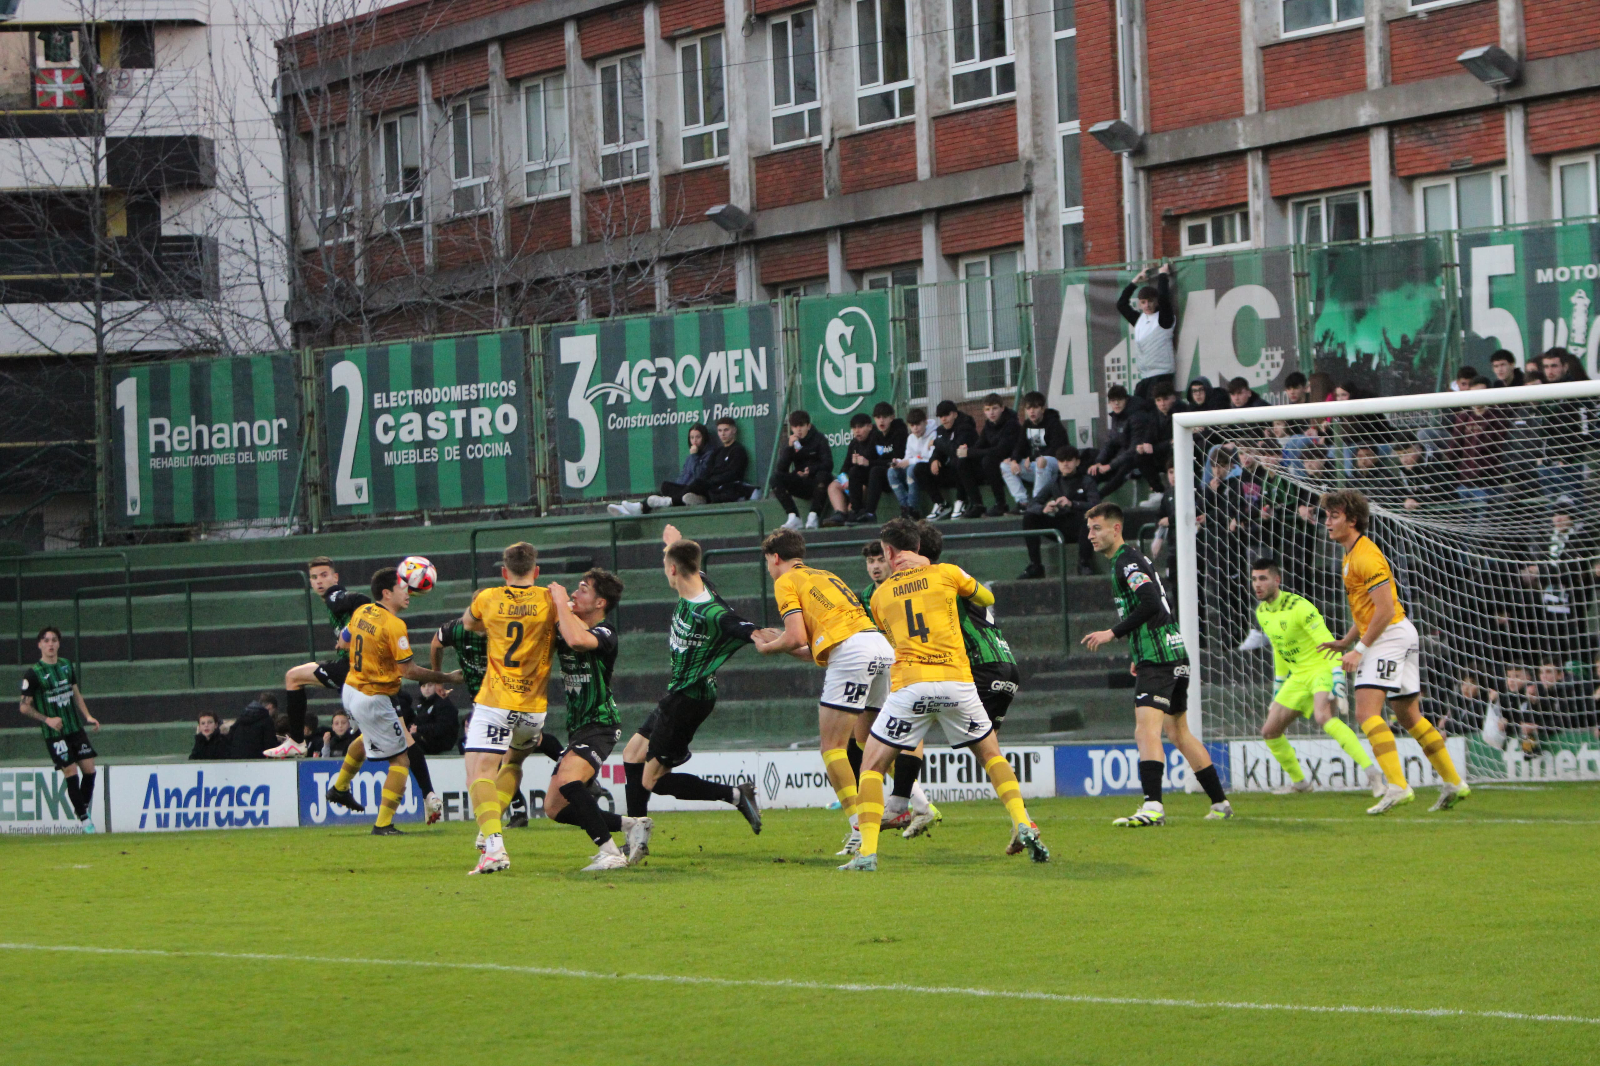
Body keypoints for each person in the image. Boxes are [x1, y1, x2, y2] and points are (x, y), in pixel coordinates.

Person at [841, 518, 1047, 870]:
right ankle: (1023, 822)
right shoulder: (947, 573)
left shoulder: (879, 595)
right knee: (991, 755)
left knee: (871, 765)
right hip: (957, 681)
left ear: (889, 552)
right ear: (919, 547)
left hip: (911, 686)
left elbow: (892, 639)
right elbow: (986, 598)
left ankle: (868, 853)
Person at [1079, 503, 1234, 826]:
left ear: (1116, 529)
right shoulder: (1130, 560)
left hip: (1159, 657)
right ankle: (1220, 803)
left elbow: (1150, 602)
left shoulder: (1127, 561)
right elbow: (1155, 605)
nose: (1090, 535)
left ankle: (1153, 807)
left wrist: (1112, 633)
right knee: (1178, 732)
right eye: (1089, 528)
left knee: (1145, 730)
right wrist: (1138, 654)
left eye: (1097, 528)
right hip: (1170, 651)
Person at [1315, 489, 1469, 813]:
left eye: (1334, 516)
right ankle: (1454, 781)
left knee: (1365, 713)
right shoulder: (1351, 555)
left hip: (1389, 637)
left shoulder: (1366, 556)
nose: (1327, 521)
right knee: (1409, 716)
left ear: (1352, 520)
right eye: (1327, 515)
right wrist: (1346, 641)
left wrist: (1360, 649)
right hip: (1397, 634)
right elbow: (1369, 610)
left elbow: (1385, 609)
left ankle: (1397, 786)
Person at [752, 528, 896, 851]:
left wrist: (768, 647)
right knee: (869, 740)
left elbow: (795, 637)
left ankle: (858, 827)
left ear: (776, 558)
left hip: (853, 652)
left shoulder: (785, 581)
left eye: (768, 561)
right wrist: (785, 645)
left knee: (832, 747)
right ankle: (913, 800)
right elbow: (819, 647)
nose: (769, 568)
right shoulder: (825, 576)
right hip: (878, 647)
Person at [618, 526, 764, 844]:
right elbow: (687, 562)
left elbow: (754, 633)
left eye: (666, 565)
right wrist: (674, 543)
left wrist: (798, 644)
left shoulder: (711, 611)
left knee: (652, 780)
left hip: (689, 699)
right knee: (632, 754)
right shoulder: (697, 582)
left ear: (672, 570)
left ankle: (735, 795)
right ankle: (635, 836)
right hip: (680, 693)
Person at [323, 567, 461, 836]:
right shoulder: (394, 625)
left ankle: (339, 788)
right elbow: (408, 671)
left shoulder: (362, 611)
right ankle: (383, 824)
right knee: (401, 760)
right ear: (387, 593)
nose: (408, 592)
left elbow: (343, 641)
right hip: (373, 697)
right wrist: (446, 677)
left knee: (367, 738)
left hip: (351, 689)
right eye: (402, 587)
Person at [913, 521, 1024, 847]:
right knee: (990, 753)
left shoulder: (933, 581)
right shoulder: (956, 576)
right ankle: (1022, 822)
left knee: (906, 721)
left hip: (979, 668)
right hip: (1006, 665)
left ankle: (909, 803)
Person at [455, 542, 557, 874]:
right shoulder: (549, 599)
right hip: (534, 708)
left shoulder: (488, 597)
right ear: (536, 571)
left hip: (496, 702)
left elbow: (468, 623)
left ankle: (495, 846)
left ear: (504, 572)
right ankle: (490, 831)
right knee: (512, 762)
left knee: (478, 774)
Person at [543, 569, 653, 871]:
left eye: (583, 589)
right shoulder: (567, 625)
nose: (574, 593)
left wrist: (560, 602)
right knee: (553, 807)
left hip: (600, 724)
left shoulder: (605, 633)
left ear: (600, 602)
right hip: (578, 727)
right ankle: (630, 825)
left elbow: (578, 640)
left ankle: (610, 853)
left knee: (569, 781)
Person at [1247, 560, 1384, 797]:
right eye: (1254, 579)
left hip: (1321, 668)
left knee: (1323, 716)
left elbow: (1328, 642)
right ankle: (1300, 783)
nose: (1257, 584)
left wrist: (1338, 677)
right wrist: (1279, 684)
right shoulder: (1262, 613)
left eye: (1263, 579)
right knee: (1269, 731)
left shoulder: (1300, 606)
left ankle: (1373, 775)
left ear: (1277, 580)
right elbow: (1279, 649)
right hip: (1298, 677)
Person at [269, 558, 371, 759]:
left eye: (324, 575)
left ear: (335, 577)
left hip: (355, 668)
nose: (319, 581)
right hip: (354, 670)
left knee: (293, 677)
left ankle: (297, 742)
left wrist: (349, 632)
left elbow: (363, 601)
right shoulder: (333, 602)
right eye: (314, 577)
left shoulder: (335, 596)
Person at [19, 627, 101, 832]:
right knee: (70, 770)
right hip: (55, 734)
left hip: (75, 728)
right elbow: (24, 707)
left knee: (90, 770)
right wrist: (47, 719)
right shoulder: (34, 673)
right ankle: (85, 819)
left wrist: (88, 716)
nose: (50, 644)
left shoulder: (66, 665)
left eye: (54, 640)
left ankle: (81, 808)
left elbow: (75, 693)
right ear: (39, 644)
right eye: (46, 640)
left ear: (59, 644)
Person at [609, 422, 725, 516]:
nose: (694, 441)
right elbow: (683, 477)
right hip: (683, 490)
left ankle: (639, 507)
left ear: (704, 438)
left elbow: (700, 475)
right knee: (665, 487)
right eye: (692, 437)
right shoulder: (690, 457)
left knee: (683, 489)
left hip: (696, 490)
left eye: (698, 437)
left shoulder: (710, 454)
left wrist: (695, 456)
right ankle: (634, 508)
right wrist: (675, 489)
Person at [1018, 446, 1099, 579]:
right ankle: (1035, 565)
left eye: (1069, 460)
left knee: (1089, 519)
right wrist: (1044, 508)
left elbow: (1096, 505)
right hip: (1060, 525)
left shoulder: (1086, 481)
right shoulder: (1054, 481)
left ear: (1077, 462)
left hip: (1080, 527)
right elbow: (1033, 503)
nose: (1065, 464)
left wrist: (1073, 504)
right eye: (1061, 461)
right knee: (1029, 518)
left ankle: (1084, 563)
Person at [1096, 381, 1177, 503]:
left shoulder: (1139, 415)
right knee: (1137, 456)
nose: (1162, 404)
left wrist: (1111, 465)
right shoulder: (1153, 414)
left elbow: (1171, 442)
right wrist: (1099, 461)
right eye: (1158, 400)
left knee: (1131, 461)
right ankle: (1159, 491)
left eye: (1165, 399)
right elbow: (1112, 442)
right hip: (1133, 453)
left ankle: (1096, 498)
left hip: (1166, 453)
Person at [1116, 263, 1175, 405]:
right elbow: (1121, 304)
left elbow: (1164, 298)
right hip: (1145, 377)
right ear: (1139, 304)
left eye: (1150, 302)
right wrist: (1135, 282)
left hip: (1162, 376)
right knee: (1137, 409)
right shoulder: (1139, 320)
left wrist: (1162, 275)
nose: (1147, 305)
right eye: (1143, 302)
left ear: (1156, 302)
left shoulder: (1164, 319)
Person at [1002, 391, 1069, 507]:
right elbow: (1020, 445)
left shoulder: (1054, 424)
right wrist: (1014, 460)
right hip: (1036, 466)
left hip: (1055, 465)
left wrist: (1033, 457)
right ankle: (1022, 501)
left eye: (1035, 407)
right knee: (1005, 465)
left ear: (1042, 409)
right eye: (1028, 408)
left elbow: (1056, 449)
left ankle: (1037, 501)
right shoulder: (1027, 424)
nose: (1031, 411)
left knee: (1042, 461)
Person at [916, 400, 979, 520]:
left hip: (970, 472)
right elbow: (939, 450)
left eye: (946, 415)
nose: (943, 419)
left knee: (958, 461)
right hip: (953, 473)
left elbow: (956, 450)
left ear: (955, 414)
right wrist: (934, 459)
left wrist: (937, 442)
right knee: (920, 468)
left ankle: (961, 500)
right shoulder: (941, 430)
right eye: (940, 416)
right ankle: (941, 503)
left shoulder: (966, 427)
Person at [772, 410, 834, 530]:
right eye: (795, 426)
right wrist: (789, 449)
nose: (798, 430)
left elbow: (828, 464)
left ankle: (814, 515)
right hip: (801, 482)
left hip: (818, 482)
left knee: (823, 475)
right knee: (775, 478)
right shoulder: (790, 442)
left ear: (808, 426)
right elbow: (781, 469)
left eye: (801, 426)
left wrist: (810, 470)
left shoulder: (819, 439)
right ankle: (794, 516)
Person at [966, 393, 1023, 517]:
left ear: (1002, 408)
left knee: (988, 461)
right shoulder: (988, 425)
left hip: (1013, 459)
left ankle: (1001, 504)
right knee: (963, 462)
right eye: (987, 409)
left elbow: (1001, 450)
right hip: (997, 459)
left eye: (994, 408)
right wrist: (966, 451)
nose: (991, 412)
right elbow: (979, 445)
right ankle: (976, 504)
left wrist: (970, 452)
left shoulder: (1011, 424)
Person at [824, 413, 879, 526]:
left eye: (860, 427)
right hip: (853, 481)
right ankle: (840, 513)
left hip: (868, 480)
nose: (857, 431)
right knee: (833, 486)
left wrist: (865, 462)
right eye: (854, 428)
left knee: (859, 487)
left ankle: (853, 512)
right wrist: (845, 481)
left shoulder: (877, 439)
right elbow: (844, 468)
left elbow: (879, 463)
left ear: (869, 426)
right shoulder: (854, 443)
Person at [889, 407, 935, 517]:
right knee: (891, 472)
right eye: (912, 425)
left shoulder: (933, 435)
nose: (915, 428)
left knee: (911, 470)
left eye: (918, 424)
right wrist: (898, 462)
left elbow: (931, 458)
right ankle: (905, 507)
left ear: (925, 422)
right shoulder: (910, 438)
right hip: (913, 467)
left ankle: (913, 508)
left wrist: (910, 461)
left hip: (927, 469)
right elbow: (908, 457)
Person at [412, 682, 461, 755]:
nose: (427, 689)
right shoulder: (422, 705)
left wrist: (418, 729)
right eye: (423, 686)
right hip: (427, 738)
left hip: (441, 742)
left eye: (430, 685)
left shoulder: (443, 704)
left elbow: (442, 727)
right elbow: (418, 721)